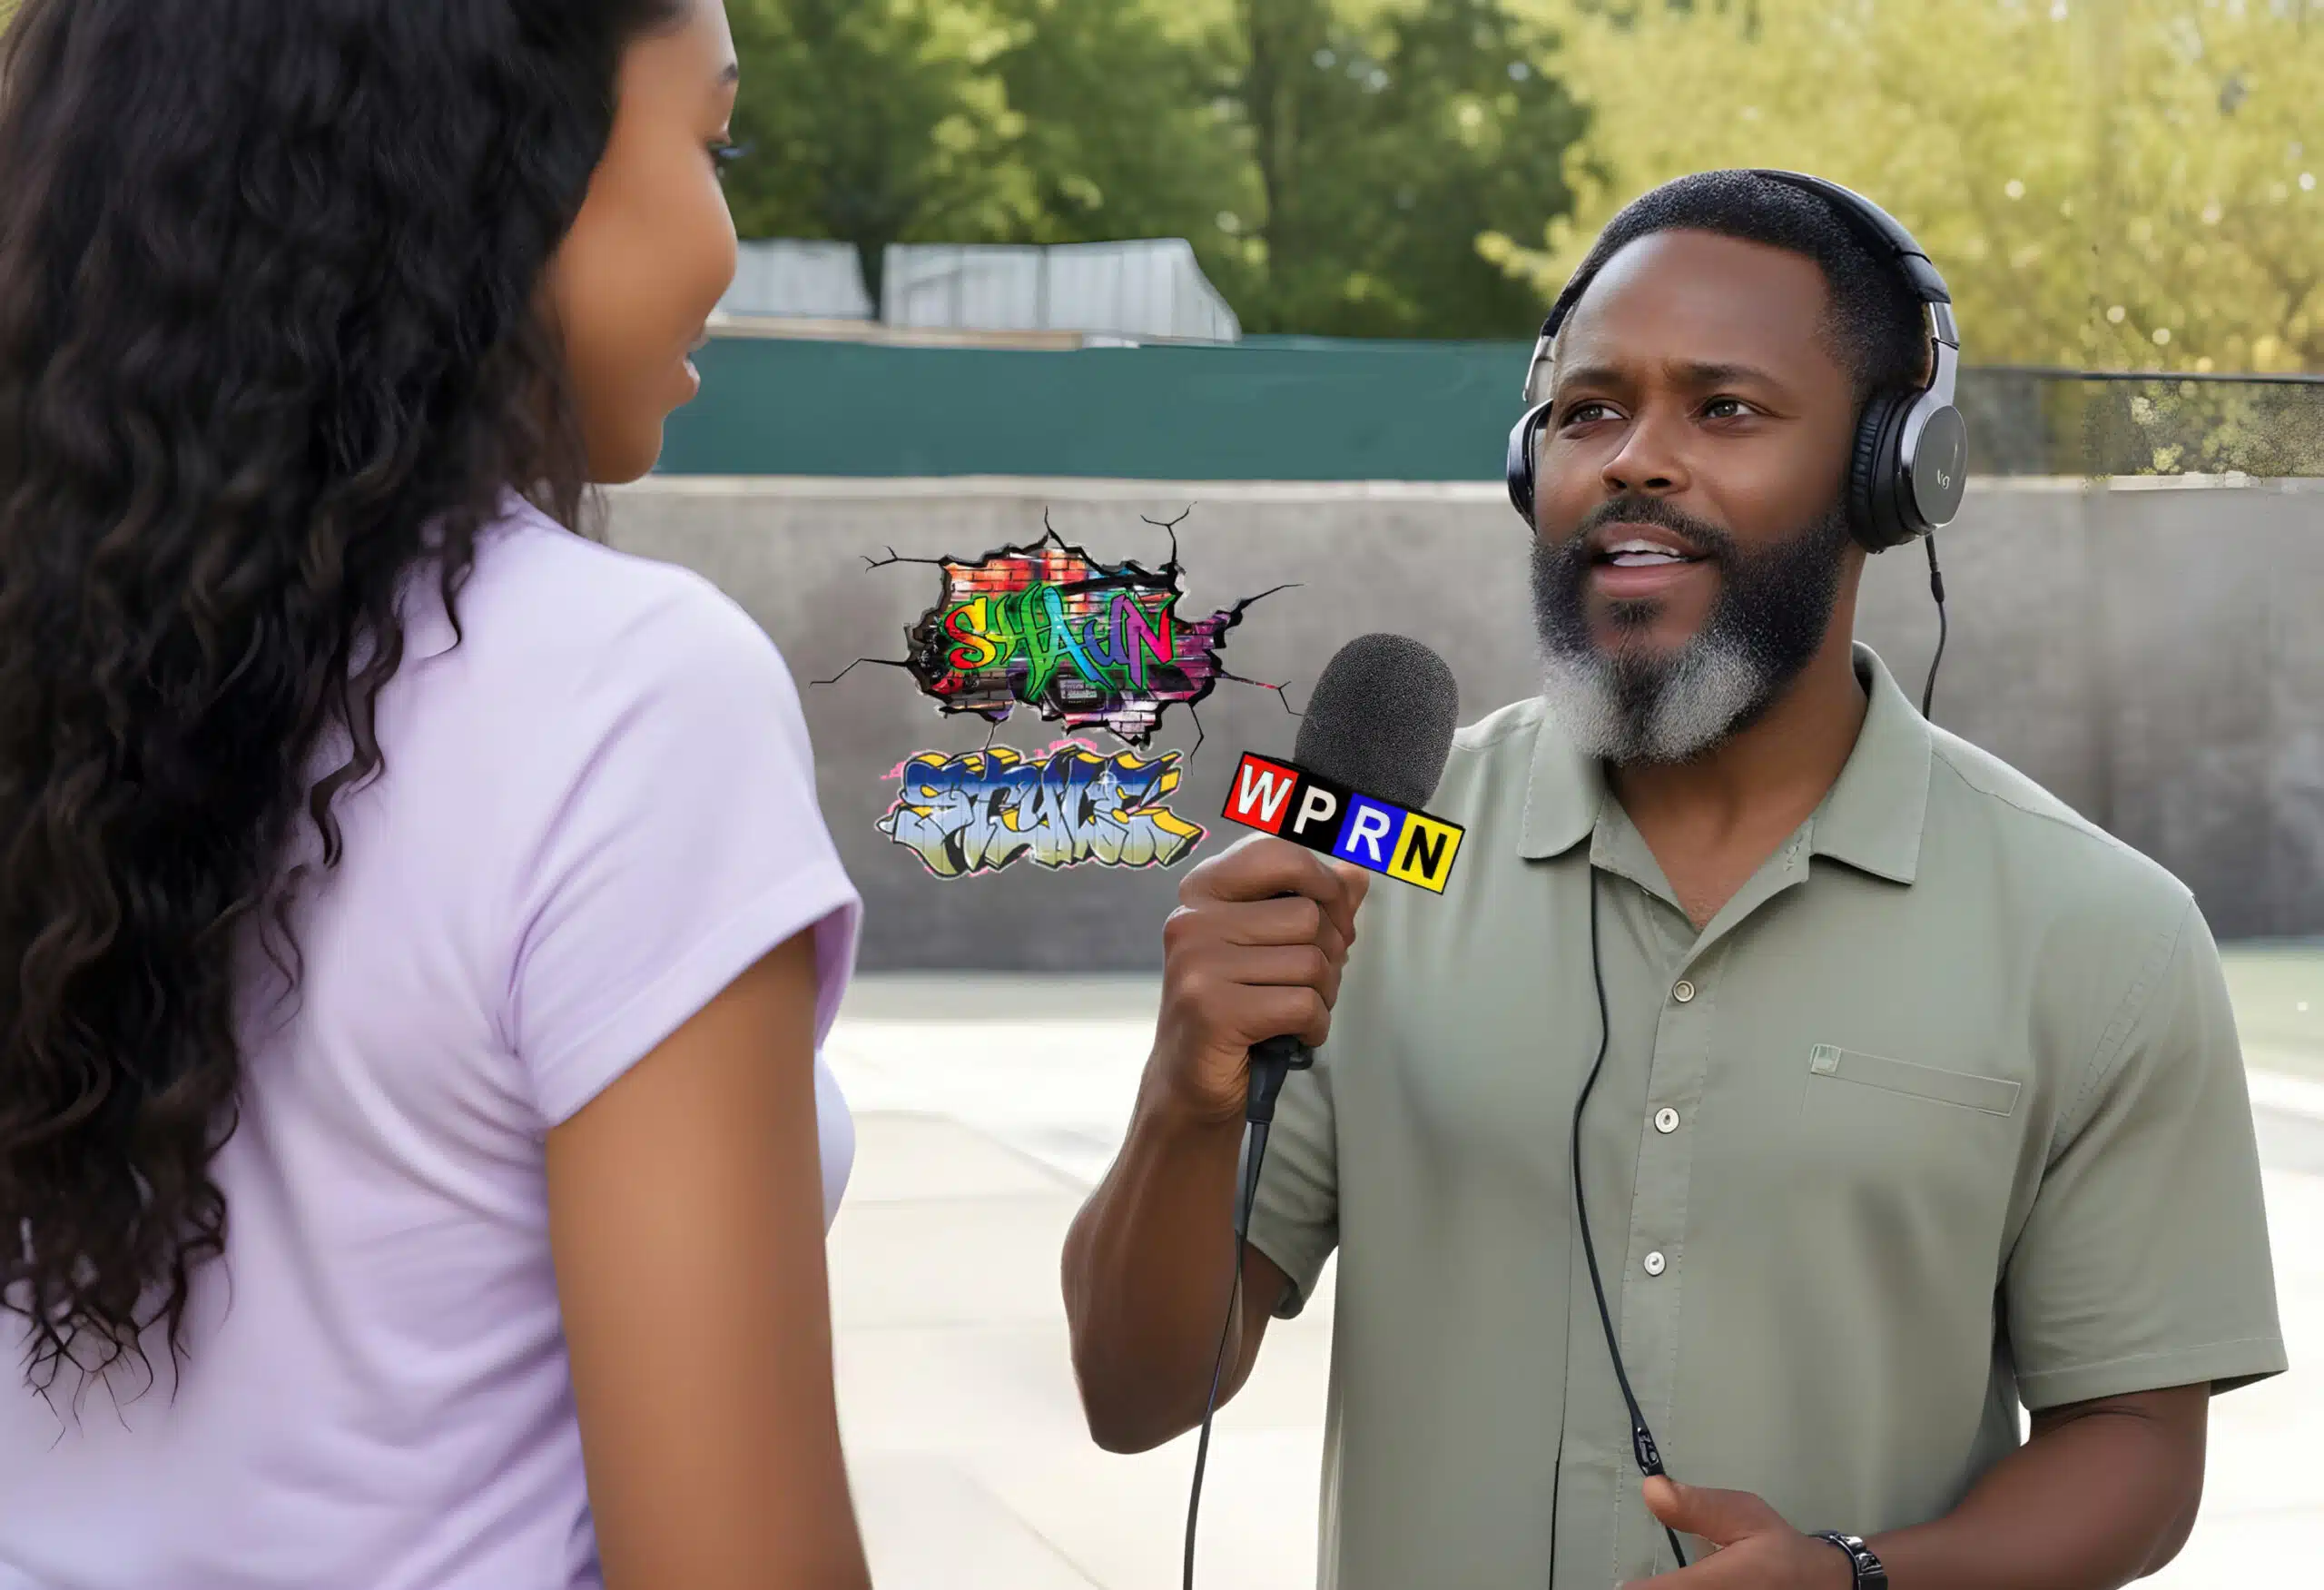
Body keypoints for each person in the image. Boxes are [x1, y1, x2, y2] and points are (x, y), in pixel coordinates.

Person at [1062, 170, 2286, 1589]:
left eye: (1726, 408)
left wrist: (1858, 1576)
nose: (1636, 458)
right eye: (1590, 411)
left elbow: (2136, 1441)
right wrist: (1184, 1093)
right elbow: (1132, 1394)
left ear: (1893, 472)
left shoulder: (2105, 932)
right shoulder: (1362, 846)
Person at [0, 3, 872, 1587]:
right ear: (495, 155)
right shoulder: (628, 695)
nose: (730, 238)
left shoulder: (54, 677)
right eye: (711, 139)